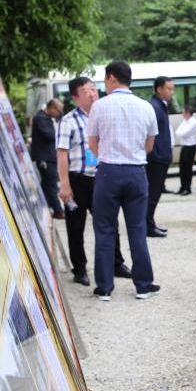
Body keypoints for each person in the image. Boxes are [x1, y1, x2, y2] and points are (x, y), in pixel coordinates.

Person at [87, 61, 159, 301]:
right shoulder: (146, 107)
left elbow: (93, 143)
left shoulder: (99, 106)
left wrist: (108, 157)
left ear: (110, 78)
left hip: (108, 172)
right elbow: (150, 145)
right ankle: (143, 285)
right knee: (137, 229)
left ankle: (105, 288)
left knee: (105, 229)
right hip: (137, 172)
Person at [57, 76, 130, 286]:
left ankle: (116, 263)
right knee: (75, 226)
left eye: (93, 89)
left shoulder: (103, 115)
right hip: (77, 179)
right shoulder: (68, 120)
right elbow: (61, 153)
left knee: (109, 222)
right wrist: (65, 184)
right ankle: (80, 269)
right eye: (86, 90)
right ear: (75, 97)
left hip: (102, 177)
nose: (92, 93)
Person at [146, 76, 174, 237]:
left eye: (172, 89)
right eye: (168, 89)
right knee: (152, 193)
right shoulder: (154, 106)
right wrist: (156, 154)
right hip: (156, 158)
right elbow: (150, 134)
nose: (171, 92)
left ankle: (150, 223)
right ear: (159, 89)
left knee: (155, 193)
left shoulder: (160, 105)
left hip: (161, 156)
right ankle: (148, 226)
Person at [31, 98, 64, 219]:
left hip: (50, 156)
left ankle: (40, 207)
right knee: (52, 183)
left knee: (45, 185)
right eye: (58, 111)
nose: (58, 114)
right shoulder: (40, 118)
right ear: (52, 108)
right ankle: (58, 210)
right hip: (44, 157)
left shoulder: (48, 119)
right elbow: (50, 135)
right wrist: (59, 131)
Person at [174, 105, 196, 195]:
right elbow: (177, 132)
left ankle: (188, 188)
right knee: (182, 168)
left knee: (188, 168)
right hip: (184, 146)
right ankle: (182, 187)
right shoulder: (185, 121)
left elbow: (183, 133)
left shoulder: (193, 122)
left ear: (188, 113)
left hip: (190, 147)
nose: (182, 114)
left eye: (183, 112)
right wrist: (181, 133)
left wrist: (181, 133)